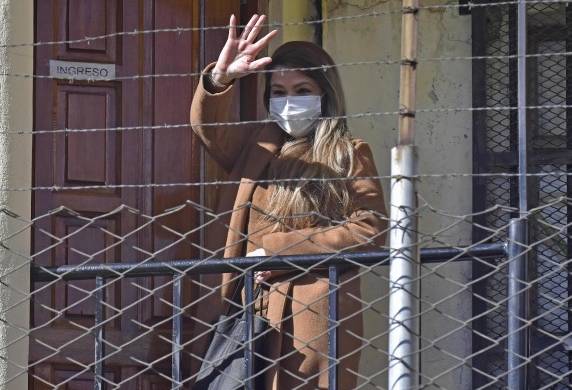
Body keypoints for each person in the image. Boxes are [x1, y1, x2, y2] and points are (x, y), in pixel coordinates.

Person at [190, 13, 387, 390]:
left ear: (325, 94)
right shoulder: (257, 146)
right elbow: (208, 130)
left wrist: (281, 251)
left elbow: (370, 228)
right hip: (246, 306)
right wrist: (222, 77)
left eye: (301, 91)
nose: (289, 102)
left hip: (309, 309)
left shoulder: (348, 153)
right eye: (279, 92)